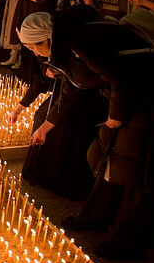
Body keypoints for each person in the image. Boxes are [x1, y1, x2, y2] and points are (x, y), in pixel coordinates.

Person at [54, 6, 154, 260]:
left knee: (138, 171)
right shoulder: (96, 32)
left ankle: (129, 240)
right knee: (112, 159)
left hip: (151, 102)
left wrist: (116, 115)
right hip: (138, 96)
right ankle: (97, 215)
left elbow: (120, 78)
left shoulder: (84, 40)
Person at [8, 11, 106, 201]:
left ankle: (64, 183)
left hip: (85, 98)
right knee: (41, 117)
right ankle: (43, 175)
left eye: (33, 47)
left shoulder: (73, 52)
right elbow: (39, 81)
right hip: (67, 92)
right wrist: (19, 108)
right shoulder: (50, 51)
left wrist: (46, 127)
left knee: (63, 128)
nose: (34, 53)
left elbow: (73, 92)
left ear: (45, 40)